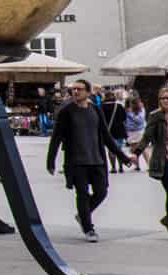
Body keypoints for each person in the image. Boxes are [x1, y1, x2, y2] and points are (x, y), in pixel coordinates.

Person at [47, 79, 130, 243]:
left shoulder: (95, 110)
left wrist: (123, 157)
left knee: (101, 192)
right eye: (73, 90)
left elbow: (106, 136)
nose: (75, 92)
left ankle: (83, 215)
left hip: (96, 159)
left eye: (79, 89)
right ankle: (88, 227)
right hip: (76, 161)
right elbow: (56, 137)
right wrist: (51, 161)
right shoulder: (67, 112)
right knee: (82, 194)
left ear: (88, 92)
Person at [133, 86, 168, 240]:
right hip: (165, 161)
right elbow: (147, 137)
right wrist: (136, 153)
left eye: (167, 98)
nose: (164, 101)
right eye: (162, 98)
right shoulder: (156, 117)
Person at [102, 91, 130, 174]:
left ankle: (113, 167)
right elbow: (124, 118)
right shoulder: (119, 106)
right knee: (119, 148)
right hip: (119, 131)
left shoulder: (101, 107)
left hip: (107, 131)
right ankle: (121, 167)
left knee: (111, 149)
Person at [125, 94, 148, 173]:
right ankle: (137, 165)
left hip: (139, 130)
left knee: (143, 148)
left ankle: (149, 164)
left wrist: (131, 114)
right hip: (130, 131)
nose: (130, 104)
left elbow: (140, 120)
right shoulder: (127, 110)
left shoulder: (141, 109)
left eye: (132, 103)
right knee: (133, 148)